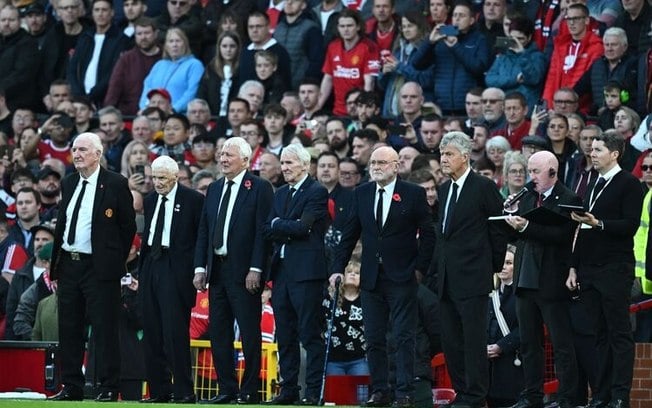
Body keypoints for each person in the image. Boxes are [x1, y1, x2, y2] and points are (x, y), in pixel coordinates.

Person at [331, 145, 435, 408]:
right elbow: (349, 235)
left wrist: (419, 269)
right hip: (371, 277)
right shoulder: (362, 193)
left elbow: (428, 234)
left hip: (403, 277)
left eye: (382, 163)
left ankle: (404, 392)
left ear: (396, 166)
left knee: (403, 336)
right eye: (373, 163)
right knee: (375, 337)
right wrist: (336, 268)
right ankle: (380, 391)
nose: (376, 167)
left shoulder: (413, 194)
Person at [48, 132, 136, 402]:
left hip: (99, 268)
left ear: (98, 154)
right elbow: (63, 224)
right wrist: (56, 266)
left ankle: (109, 386)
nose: (77, 154)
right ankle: (71, 385)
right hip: (69, 264)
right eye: (74, 149)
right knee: (69, 327)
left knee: (105, 328)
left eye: (83, 149)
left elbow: (127, 227)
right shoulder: (69, 182)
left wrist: (112, 260)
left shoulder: (116, 183)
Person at [193, 137, 274, 404]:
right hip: (217, 270)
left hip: (245, 273)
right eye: (222, 154)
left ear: (246, 160)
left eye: (229, 155)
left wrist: (256, 268)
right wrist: (199, 267)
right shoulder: (215, 188)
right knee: (220, 333)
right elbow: (204, 229)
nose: (223, 159)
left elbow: (264, 233)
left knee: (250, 333)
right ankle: (227, 389)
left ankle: (250, 390)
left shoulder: (260, 188)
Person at [567, 130, 644, 408]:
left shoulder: (630, 184)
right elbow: (582, 228)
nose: (592, 152)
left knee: (618, 333)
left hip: (615, 269)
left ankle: (621, 395)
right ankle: (602, 394)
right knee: (598, 334)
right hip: (589, 269)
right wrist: (573, 267)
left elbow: (629, 226)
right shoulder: (592, 182)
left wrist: (598, 222)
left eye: (598, 149)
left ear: (614, 153)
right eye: (591, 148)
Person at [503, 151, 581, 408]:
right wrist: (511, 222)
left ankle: (567, 397)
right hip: (525, 278)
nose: (531, 177)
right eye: (530, 171)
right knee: (528, 343)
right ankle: (532, 395)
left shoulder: (568, 198)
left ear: (552, 172)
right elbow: (518, 237)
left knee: (561, 344)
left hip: (551, 279)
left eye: (535, 172)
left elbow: (563, 235)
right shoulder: (527, 197)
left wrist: (526, 227)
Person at [435, 131, 508, 408]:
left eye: (449, 154)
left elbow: (499, 230)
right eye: (442, 154)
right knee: (452, 343)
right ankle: (462, 393)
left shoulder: (483, 187)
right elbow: (443, 236)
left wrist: (493, 268)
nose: (444, 159)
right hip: (446, 280)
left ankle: (476, 397)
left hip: (474, 278)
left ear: (465, 157)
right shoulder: (443, 190)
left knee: (473, 341)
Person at [262, 143, 329, 405]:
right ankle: (289, 389)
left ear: (305, 165)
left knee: (310, 334)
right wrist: (284, 225)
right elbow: (267, 228)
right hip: (281, 275)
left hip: (307, 274)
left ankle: (313, 392)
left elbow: (304, 228)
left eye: (290, 163)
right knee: (286, 334)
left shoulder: (317, 191)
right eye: (283, 162)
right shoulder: (279, 194)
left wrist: (281, 225)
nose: (284, 167)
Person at [138, 156, 203, 403]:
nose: (157, 182)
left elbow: (200, 238)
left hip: (176, 270)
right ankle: (159, 390)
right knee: (152, 332)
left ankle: (185, 391)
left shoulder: (193, 200)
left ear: (175, 176)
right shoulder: (150, 200)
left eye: (162, 177)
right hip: (151, 266)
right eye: (154, 177)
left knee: (175, 333)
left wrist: (197, 269)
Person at [66, 0, 131, 107]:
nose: (100, 14)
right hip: (80, 100)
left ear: (112, 13)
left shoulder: (121, 40)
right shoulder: (85, 37)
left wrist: (91, 97)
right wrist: (79, 95)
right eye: (97, 10)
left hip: (104, 101)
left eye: (104, 10)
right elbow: (72, 68)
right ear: (92, 13)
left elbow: (114, 72)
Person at [486, 244, 523, 408]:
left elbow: (527, 328)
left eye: (509, 262)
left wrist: (501, 346)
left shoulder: (522, 294)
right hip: (490, 367)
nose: (503, 266)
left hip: (513, 363)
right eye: (502, 261)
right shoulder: (490, 293)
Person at [139, 28, 203, 114]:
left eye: (178, 41)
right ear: (166, 46)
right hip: (153, 116)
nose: (174, 45)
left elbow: (192, 92)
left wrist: (174, 109)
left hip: (178, 116)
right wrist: (144, 108)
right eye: (171, 41)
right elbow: (147, 86)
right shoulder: (159, 64)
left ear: (185, 44)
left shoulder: (194, 65)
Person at [323, 260, 368, 375]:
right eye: (349, 272)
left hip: (360, 359)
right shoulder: (330, 299)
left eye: (357, 273)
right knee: (337, 392)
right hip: (334, 359)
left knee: (361, 392)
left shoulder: (367, 301)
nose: (353, 274)